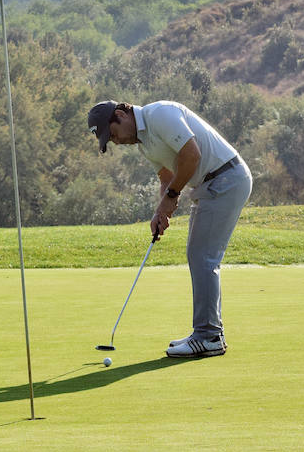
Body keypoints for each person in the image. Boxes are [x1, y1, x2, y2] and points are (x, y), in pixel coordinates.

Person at [87, 99, 252, 358]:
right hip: (210, 186)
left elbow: (192, 155)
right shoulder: (145, 144)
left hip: (225, 178)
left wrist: (173, 196)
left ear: (120, 115)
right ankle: (207, 331)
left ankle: (209, 336)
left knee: (203, 257)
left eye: (112, 134)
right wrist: (160, 210)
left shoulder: (160, 114)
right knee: (199, 256)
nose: (115, 142)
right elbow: (166, 176)